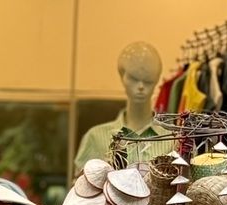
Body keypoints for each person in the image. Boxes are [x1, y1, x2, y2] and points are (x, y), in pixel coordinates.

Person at [74, 41, 174, 172]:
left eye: (148, 81)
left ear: (156, 81)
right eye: (133, 78)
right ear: (122, 76)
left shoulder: (172, 141)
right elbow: (79, 188)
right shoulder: (95, 138)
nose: (140, 87)